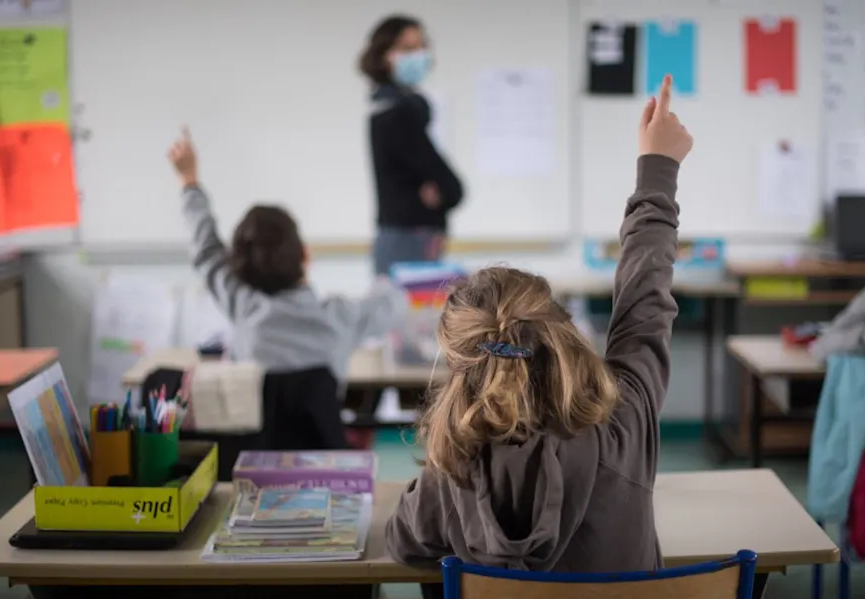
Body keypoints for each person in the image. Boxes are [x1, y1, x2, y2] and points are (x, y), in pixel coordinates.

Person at [385, 76, 692, 586]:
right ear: (560, 335)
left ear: (461, 364)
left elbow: (402, 541)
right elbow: (645, 301)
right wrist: (657, 172)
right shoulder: (627, 421)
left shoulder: (455, 467)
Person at [166, 128, 409, 448]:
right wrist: (386, 280)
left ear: (238, 270)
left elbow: (206, 248)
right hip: (326, 470)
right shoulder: (340, 315)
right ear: (305, 255)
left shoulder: (241, 303)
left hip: (251, 469)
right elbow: (394, 303)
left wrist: (189, 180)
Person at [359, 15, 465, 276]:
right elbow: (453, 187)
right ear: (384, 56)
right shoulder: (398, 115)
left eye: (421, 46)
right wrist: (442, 192)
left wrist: (440, 191)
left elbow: (443, 185)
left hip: (408, 240)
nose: (418, 55)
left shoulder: (393, 110)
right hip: (406, 243)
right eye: (407, 49)